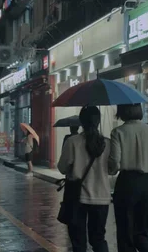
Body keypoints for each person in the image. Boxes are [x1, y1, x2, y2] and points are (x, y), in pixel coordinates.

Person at [109, 104, 148, 252]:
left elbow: (115, 164)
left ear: (122, 111)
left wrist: (109, 168)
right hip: (146, 184)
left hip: (126, 183)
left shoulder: (118, 132)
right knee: (142, 230)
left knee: (125, 231)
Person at [58, 106, 111, 252]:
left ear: (81, 121)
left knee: (78, 242)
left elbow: (62, 167)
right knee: (99, 239)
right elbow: (113, 169)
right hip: (102, 197)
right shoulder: (107, 143)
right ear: (98, 121)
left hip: (77, 198)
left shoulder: (73, 141)